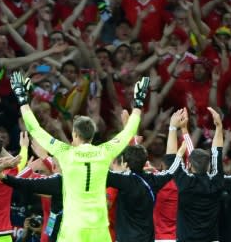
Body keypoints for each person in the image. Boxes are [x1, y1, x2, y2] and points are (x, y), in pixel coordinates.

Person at [10, 70, 150, 242]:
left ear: (75, 134)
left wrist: (22, 100)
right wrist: (138, 103)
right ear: (91, 135)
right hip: (99, 230)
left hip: (73, 230)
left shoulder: (64, 152)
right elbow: (128, 131)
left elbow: (35, 130)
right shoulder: (105, 151)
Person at [165, 107, 225, 242]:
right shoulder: (216, 182)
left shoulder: (185, 183)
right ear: (209, 166)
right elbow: (217, 152)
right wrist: (219, 127)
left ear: (189, 165)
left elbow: (170, 158)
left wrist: (173, 128)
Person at [107, 144, 175, 242]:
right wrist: (180, 154)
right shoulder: (154, 180)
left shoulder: (121, 180)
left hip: (125, 238)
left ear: (125, 163)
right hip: (147, 238)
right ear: (145, 162)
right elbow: (172, 170)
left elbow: (99, 172)